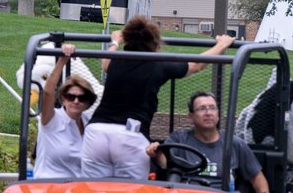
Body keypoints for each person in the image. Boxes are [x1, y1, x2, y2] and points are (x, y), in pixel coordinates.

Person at [81, 15, 234, 179]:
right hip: (130, 135)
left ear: (128, 39)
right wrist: (222, 44)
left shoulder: (118, 59)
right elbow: (196, 65)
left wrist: (115, 42)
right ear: (155, 43)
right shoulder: (158, 63)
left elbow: (105, 64)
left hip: (96, 132)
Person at [146, 91, 272, 193]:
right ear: (191, 117)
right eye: (201, 109)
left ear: (218, 114)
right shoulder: (179, 139)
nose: (208, 113)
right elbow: (165, 163)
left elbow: (256, 176)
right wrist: (157, 152)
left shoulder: (234, 144)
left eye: (212, 108)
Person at [34, 44, 96, 179]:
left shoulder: (88, 122)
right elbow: (48, 93)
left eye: (82, 98)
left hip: (77, 190)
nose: (76, 101)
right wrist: (62, 60)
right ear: (63, 99)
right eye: (70, 97)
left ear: (88, 101)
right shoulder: (52, 120)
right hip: (49, 188)